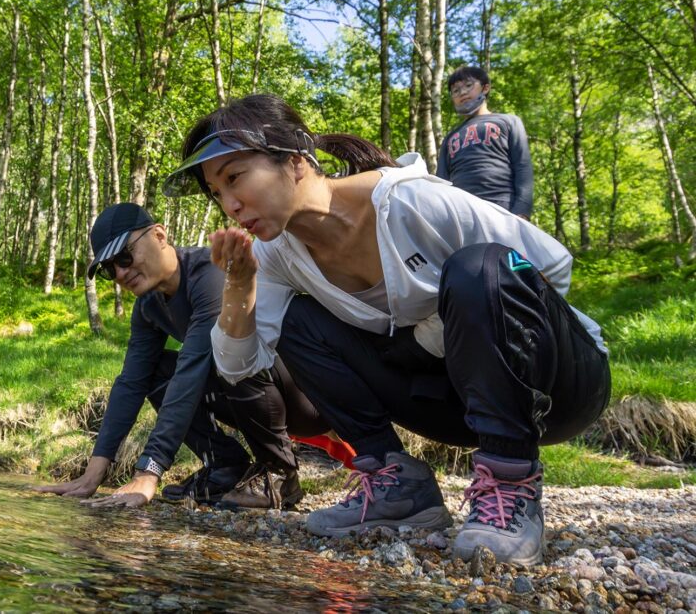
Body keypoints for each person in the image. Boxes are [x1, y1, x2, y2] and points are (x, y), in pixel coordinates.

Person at [162, 95, 610, 566]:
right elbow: (238, 369)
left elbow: (550, 265)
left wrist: (431, 336)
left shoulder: (412, 201)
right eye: (215, 193)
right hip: (458, 404)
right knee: (298, 321)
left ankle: (510, 482)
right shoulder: (278, 257)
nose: (229, 204)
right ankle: (397, 484)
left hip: (562, 385)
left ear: (294, 162)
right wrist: (239, 283)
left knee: (480, 266)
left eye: (235, 178)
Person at [36, 202, 335, 510]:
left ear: (160, 235)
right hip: (254, 396)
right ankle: (225, 467)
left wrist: (148, 471)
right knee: (155, 371)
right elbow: (131, 383)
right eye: (109, 269)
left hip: (306, 400)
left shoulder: (210, 276)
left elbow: (191, 372)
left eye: (125, 256)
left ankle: (279, 473)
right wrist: (92, 474)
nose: (121, 273)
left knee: (223, 353)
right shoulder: (148, 307)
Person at [438, 66, 533, 219]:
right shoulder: (450, 137)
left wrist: (522, 210)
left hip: (503, 208)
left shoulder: (508, 122)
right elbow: (442, 181)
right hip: (461, 213)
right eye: (455, 91)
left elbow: (523, 167)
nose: (462, 93)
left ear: (485, 88)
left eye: (468, 85)